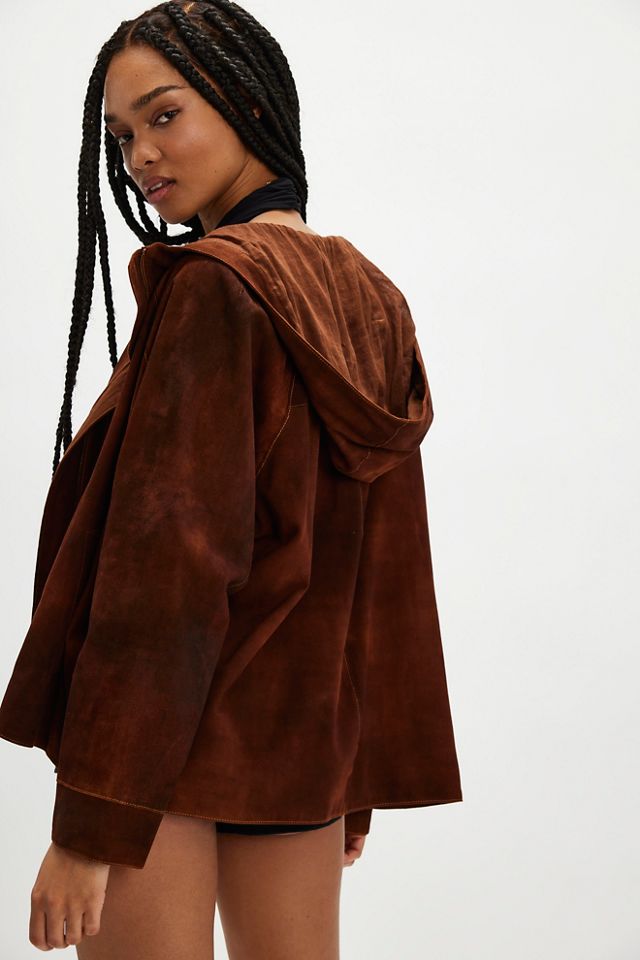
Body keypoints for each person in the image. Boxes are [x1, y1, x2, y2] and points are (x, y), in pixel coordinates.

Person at [0, 0, 463, 955]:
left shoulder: (215, 285)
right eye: (121, 135)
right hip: (298, 752)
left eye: (165, 115)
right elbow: (376, 570)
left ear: (247, 101)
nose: (141, 155)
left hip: (158, 763)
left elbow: (165, 572)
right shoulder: (369, 294)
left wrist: (92, 823)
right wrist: (350, 778)